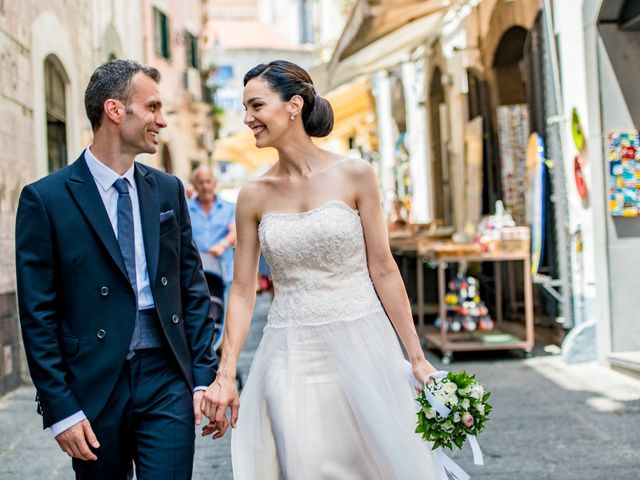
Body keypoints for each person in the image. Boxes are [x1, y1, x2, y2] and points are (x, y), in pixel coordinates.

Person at [200, 60, 439, 478]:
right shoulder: (252, 195)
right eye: (245, 108)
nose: (247, 118)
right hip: (289, 352)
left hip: (364, 342)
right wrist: (225, 374)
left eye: (256, 105)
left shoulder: (355, 174)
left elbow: (383, 268)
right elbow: (241, 289)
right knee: (302, 464)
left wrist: (416, 357)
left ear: (293, 105)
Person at [15, 60, 218, 480]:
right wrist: (61, 409)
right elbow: (37, 315)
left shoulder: (167, 189)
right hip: (94, 385)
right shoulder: (45, 199)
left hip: (166, 377)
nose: (161, 120)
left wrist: (203, 377)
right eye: (152, 107)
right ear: (114, 110)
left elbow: (191, 287)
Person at [188, 165, 236, 306]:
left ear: (215, 183)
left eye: (208, 181)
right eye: (201, 182)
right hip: (195, 272)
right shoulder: (185, 207)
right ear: (195, 185)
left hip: (222, 269)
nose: (205, 186)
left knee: (223, 312)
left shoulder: (228, 208)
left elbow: (235, 231)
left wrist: (222, 244)